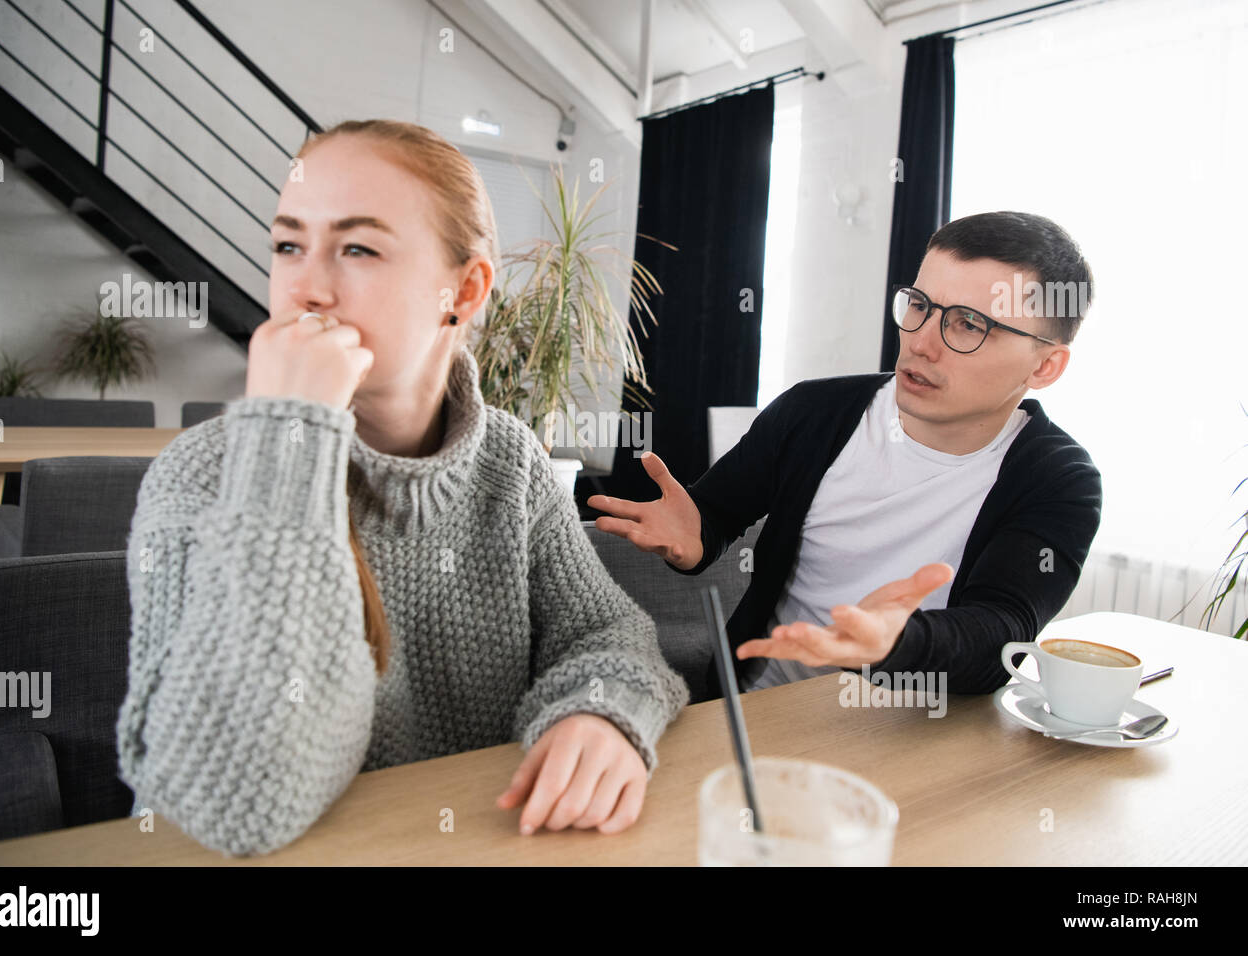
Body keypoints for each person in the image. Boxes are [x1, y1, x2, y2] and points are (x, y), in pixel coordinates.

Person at [115, 119, 689, 857]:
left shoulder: (510, 464)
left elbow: (608, 636)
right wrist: (290, 434)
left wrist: (601, 715)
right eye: (288, 245)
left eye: (357, 248)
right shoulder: (205, 473)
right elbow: (240, 802)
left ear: (466, 288)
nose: (306, 286)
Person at [590, 211, 1103, 697]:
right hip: (760, 708)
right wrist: (695, 534)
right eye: (920, 305)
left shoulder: (1058, 479)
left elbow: (1003, 634)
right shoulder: (814, 412)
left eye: (969, 324)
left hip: (924, 732)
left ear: (1045, 367)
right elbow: (715, 516)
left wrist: (896, 639)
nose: (921, 342)